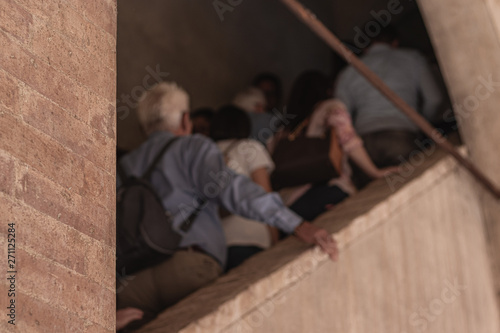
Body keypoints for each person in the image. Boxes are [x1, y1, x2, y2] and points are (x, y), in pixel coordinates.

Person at [116, 82, 338, 328]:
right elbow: (235, 190)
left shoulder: (122, 166)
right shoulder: (193, 147)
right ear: (185, 120)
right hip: (188, 266)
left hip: (133, 282)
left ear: (143, 126)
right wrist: (296, 224)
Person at [270, 71, 397, 221]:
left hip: (291, 207)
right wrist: (375, 172)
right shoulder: (330, 107)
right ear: (328, 90)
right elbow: (348, 140)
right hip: (328, 192)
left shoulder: (282, 131)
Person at [335, 26, 443, 187]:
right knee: (414, 190)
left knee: (371, 198)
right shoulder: (413, 58)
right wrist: (420, 124)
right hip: (401, 135)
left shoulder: (348, 72)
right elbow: (434, 99)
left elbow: (340, 116)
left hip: (363, 145)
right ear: (395, 42)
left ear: (365, 47)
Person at [210, 105, 279, 271]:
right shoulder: (250, 147)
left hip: (217, 248)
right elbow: (264, 197)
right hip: (252, 237)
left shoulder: (206, 154)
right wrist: (276, 239)